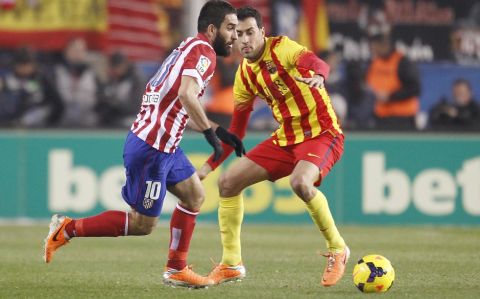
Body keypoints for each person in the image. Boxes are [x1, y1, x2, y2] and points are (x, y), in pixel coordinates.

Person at [43, 0, 243, 289]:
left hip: (165, 145)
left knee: (194, 196)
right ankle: (67, 229)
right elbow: (187, 95)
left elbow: (171, 101)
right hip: (152, 149)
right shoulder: (205, 53)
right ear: (212, 29)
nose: (235, 36)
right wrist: (208, 134)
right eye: (231, 28)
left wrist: (219, 131)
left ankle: (176, 269)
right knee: (142, 224)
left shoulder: (188, 47)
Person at [197, 6, 349, 287]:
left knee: (300, 183)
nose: (244, 40)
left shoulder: (283, 48)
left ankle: (338, 249)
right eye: (237, 33)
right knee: (228, 183)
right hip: (286, 138)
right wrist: (208, 167)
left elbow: (318, 63)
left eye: (250, 32)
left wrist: (319, 76)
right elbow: (236, 133)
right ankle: (231, 263)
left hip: (322, 133)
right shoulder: (244, 75)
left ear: (263, 32)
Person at [365, 26, 420, 130]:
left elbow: (415, 88)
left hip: (402, 118)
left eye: (375, 47)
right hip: (381, 117)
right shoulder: (375, 62)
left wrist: (390, 96)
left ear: (384, 45)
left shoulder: (403, 62)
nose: (373, 51)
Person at [0, 47, 63, 127]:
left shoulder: (42, 79)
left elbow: (57, 103)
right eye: (22, 64)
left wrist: (50, 124)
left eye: (28, 64)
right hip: (9, 124)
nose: (25, 68)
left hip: (36, 125)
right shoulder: (6, 78)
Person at [54, 37, 99, 127]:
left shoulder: (93, 74)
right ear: (66, 52)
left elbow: (98, 98)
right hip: (61, 122)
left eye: (81, 51)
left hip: (89, 123)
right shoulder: (56, 72)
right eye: (74, 50)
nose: (78, 54)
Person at [97, 51, 146, 128]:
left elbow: (136, 106)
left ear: (124, 64)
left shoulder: (136, 80)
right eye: (114, 67)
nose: (116, 70)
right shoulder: (112, 78)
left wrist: (115, 105)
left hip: (131, 116)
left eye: (118, 66)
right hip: (115, 116)